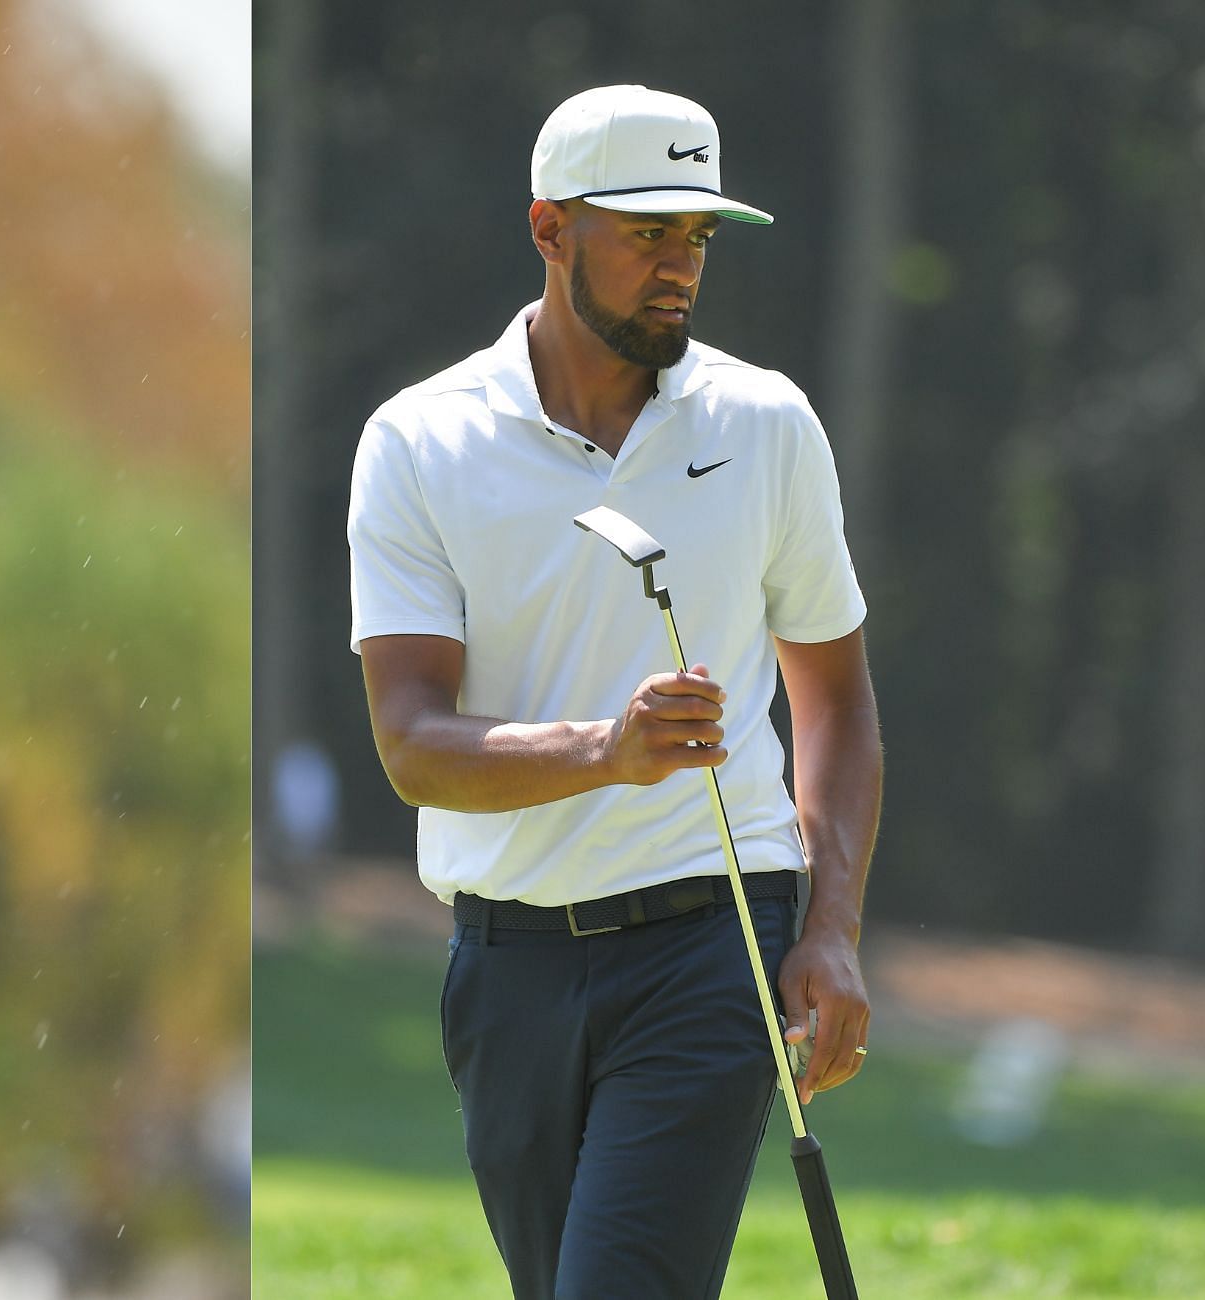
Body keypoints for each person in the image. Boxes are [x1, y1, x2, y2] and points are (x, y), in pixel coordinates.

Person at [347, 85, 883, 1299]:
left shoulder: (768, 423)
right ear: (549, 228)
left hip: (713, 943)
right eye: (647, 233)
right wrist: (609, 748)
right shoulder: (419, 441)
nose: (680, 266)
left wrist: (834, 931)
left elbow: (837, 702)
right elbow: (411, 742)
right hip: (507, 965)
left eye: (696, 235)